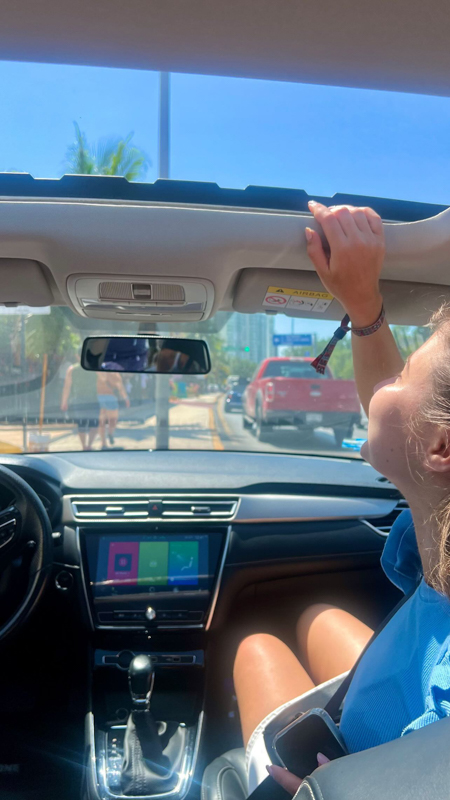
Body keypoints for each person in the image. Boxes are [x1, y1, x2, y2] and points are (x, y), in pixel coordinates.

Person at [234, 201, 450, 795]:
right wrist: (363, 308)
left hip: (336, 779)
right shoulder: (436, 535)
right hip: (374, 722)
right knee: (318, 616)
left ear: (442, 447)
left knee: (255, 647)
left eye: (403, 376)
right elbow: (402, 423)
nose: (385, 384)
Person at [60, 357, 100, 451]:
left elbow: (67, 387)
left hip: (79, 401)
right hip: (93, 400)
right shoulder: (95, 368)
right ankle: (88, 445)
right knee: (94, 424)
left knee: (81, 424)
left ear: (77, 356)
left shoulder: (72, 369)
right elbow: (103, 379)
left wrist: (64, 401)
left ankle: (84, 446)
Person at [97, 371, 130, 449]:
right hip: (110, 398)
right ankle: (110, 433)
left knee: (102, 422)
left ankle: (103, 443)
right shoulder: (115, 374)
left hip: (99, 397)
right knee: (113, 420)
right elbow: (120, 387)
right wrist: (126, 398)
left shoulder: (98, 372)